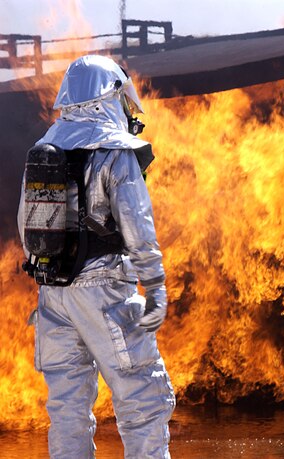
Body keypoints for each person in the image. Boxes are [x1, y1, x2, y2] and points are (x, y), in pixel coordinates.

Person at [17, 55, 175, 458]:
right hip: (106, 294)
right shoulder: (115, 153)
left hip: (53, 298)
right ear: (108, 97)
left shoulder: (43, 150)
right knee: (144, 401)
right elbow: (138, 228)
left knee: (69, 412)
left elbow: (26, 230)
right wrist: (155, 286)